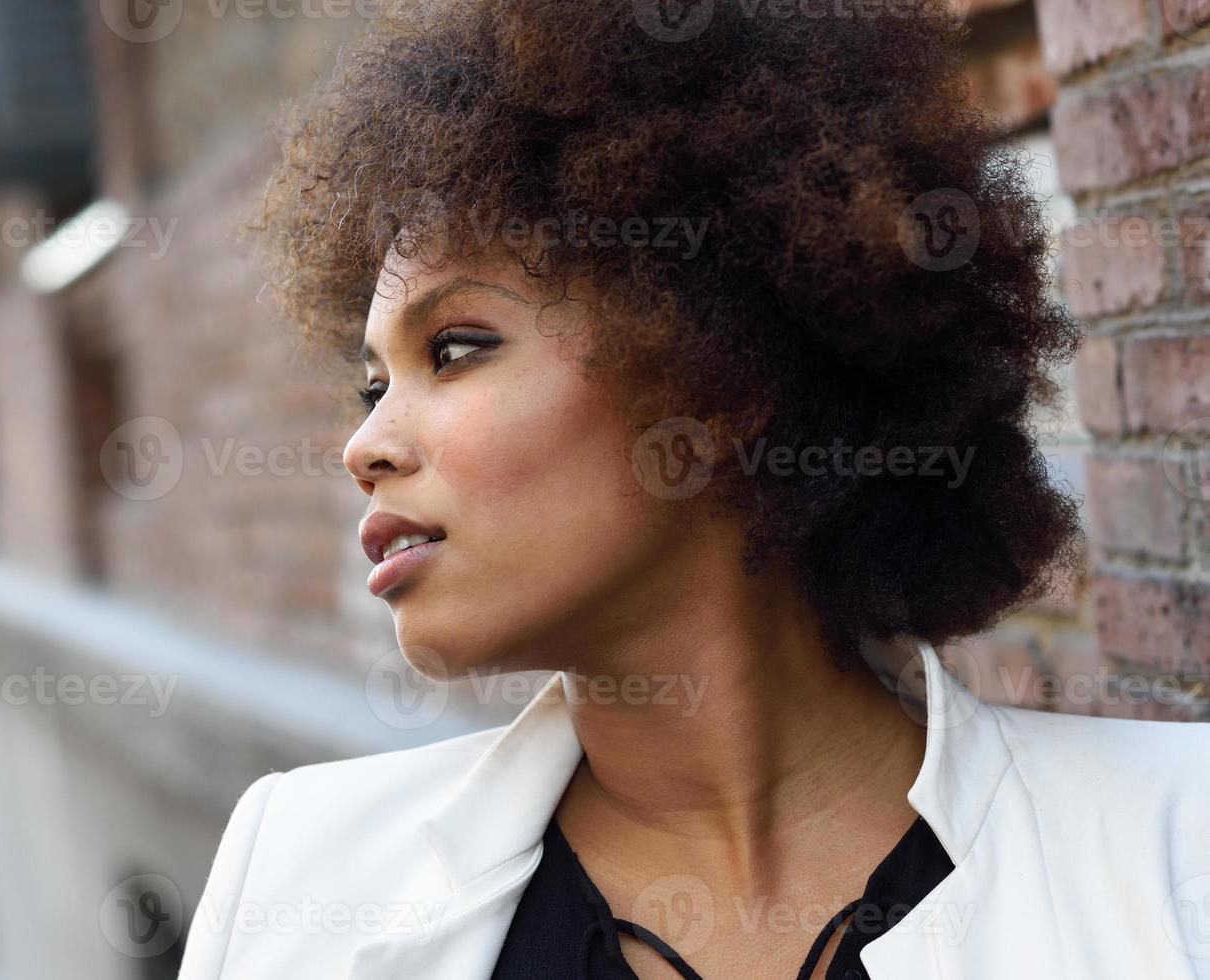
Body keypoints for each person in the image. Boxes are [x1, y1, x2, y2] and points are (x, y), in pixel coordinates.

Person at [176, 1, 1210, 977]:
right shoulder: (294, 879)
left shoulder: (1168, 855)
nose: (364, 443)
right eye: (371, 383)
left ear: (720, 380)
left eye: (454, 347)